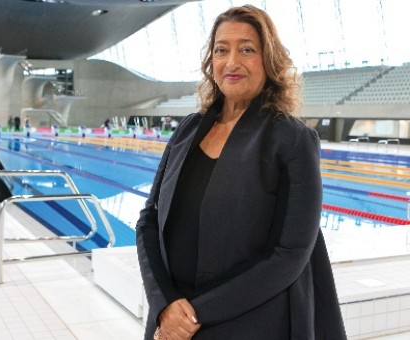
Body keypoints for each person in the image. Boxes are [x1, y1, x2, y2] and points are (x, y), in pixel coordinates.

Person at [136, 5, 346, 340]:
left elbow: (289, 255)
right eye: (222, 50)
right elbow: (149, 219)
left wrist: (193, 315)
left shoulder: (292, 140)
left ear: (269, 60)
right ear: (211, 62)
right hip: (172, 321)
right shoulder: (188, 130)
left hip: (251, 322)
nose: (232, 62)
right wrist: (165, 302)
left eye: (247, 49)